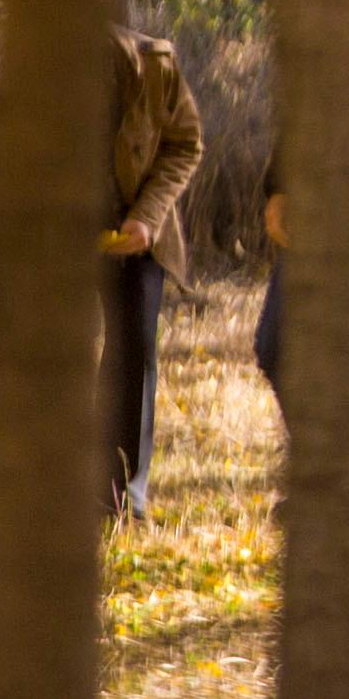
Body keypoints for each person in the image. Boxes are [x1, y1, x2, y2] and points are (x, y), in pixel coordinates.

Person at [103, 30, 203, 517]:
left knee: (134, 349)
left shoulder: (153, 65)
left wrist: (147, 215)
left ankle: (123, 494)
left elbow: (185, 143)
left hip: (139, 231)